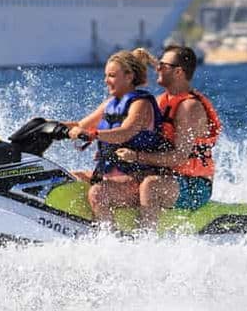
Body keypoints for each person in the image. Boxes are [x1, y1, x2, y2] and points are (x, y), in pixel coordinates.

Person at [116, 45, 222, 227]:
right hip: (163, 175)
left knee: (151, 186)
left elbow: (179, 156)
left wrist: (137, 157)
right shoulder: (160, 102)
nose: (157, 68)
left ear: (179, 72)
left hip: (195, 186)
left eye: (163, 66)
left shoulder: (189, 108)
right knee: (108, 183)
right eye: (158, 64)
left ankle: (147, 242)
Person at [66, 48, 170, 223]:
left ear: (129, 77)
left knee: (98, 193)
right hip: (112, 175)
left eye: (112, 76)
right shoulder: (110, 103)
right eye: (106, 76)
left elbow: (125, 132)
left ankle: (111, 240)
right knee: (69, 177)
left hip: (137, 179)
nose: (106, 80)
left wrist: (93, 134)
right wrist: (45, 124)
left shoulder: (141, 104)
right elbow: (79, 126)